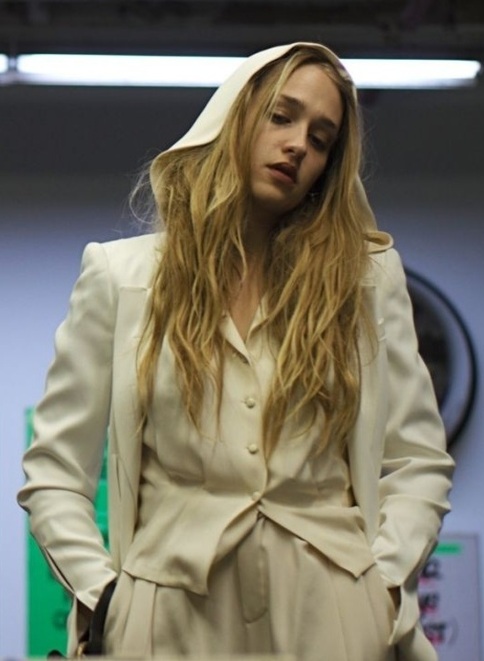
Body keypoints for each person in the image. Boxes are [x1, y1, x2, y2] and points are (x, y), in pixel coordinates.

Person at [18, 42, 454, 661]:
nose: (298, 145)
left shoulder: (364, 280)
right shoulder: (123, 277)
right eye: (281, 116)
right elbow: (55, 472)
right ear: (233, 116)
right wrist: (105, 596)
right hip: (166, 618)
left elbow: (419, 460)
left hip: (333, 615)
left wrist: (381, 588)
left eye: (321, 139)